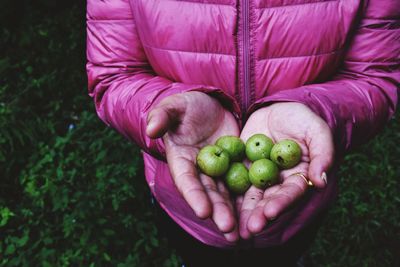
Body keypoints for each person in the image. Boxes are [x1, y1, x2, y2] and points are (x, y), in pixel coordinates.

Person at [86, 0, 399, 266]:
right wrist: (163, 111)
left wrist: (318, 113)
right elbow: (114, 75)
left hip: (296, 205)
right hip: (185, 202)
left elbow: (374, 78)